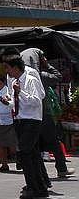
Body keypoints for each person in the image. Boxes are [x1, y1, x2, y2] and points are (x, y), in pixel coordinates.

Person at [21, 47, 74, 181]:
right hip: (43, 113)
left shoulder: (20, 76)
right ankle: (61, 168)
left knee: (33, 145)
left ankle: (38, 173)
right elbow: (58, 77)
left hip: (28, 116)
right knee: (53, 142)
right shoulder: (39, 75)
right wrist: (47, 64)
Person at [6, 55, 47, 199]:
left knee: (24, 153)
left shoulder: (31, 80)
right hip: (20, 119)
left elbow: (36, 101)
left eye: (8, 67)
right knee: (33, 154)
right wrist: (8, 101)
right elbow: (16, 102)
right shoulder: (14, 82)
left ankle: (33, 187)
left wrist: (20, 92)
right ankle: (40, 186)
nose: (7, 71)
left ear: (16, 67)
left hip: (32, 120)